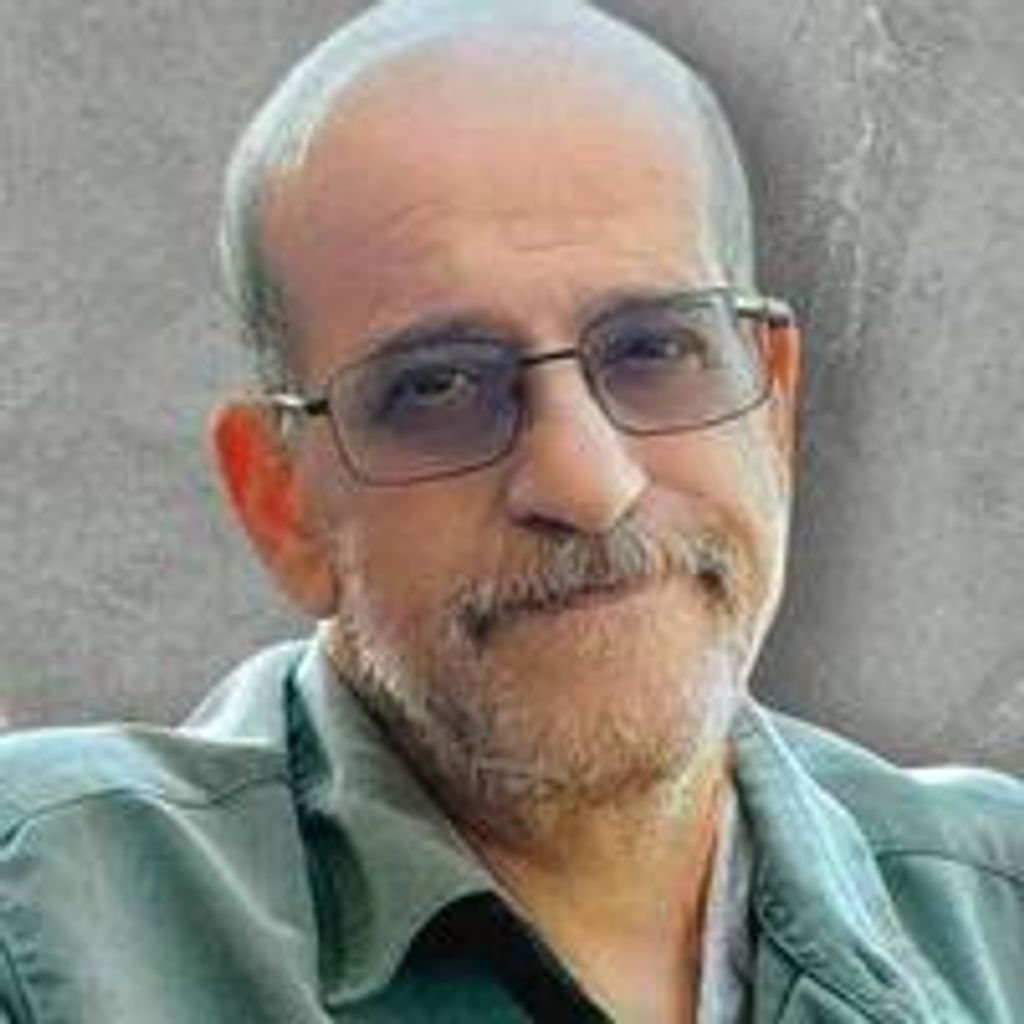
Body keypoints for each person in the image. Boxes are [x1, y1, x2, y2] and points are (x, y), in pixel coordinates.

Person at [1, 1, 1021, 1021]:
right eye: (439, 387)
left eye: (655, 349)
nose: (588, 484)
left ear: (773, 403)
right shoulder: (48, 937)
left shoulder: (998, 919)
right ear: (282, 500)